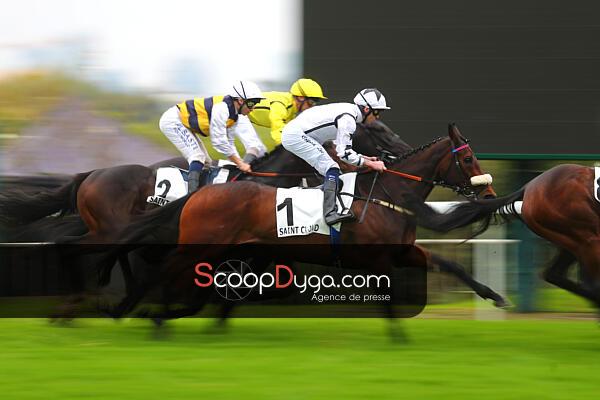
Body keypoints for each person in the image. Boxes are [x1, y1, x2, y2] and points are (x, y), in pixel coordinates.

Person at [281, 88, 389, 225]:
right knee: (332, 169)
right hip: (296, 136)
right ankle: (329, 214)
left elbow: (340, 148)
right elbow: (344, 154)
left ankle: (316, 202)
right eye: (377, 112)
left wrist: (365, 158)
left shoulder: (349, 113)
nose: (378, 117)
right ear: (367, 109)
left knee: (332, 173)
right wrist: (371, 164)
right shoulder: (348, 119)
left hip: (299, 134)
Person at [159, 80, 267, 193]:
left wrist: (240, 163)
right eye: (251, 103)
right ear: (240, 100)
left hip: (184, 123)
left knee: (207, 163)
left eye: (256, 103)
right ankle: (190, 196)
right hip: (173, 121)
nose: (253, 108)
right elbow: (219, 143)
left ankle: (199, 191)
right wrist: (240, 164)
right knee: (197, 157)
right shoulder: (222, 109)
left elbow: (229, 143)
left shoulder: (234, 115)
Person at [248, 78, 327, 145]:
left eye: (314, 103)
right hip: (241, 111)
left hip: (245, 114)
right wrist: (285, 148)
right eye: (310, 103)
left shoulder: (291, 108)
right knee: (257, 149)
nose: (311, 107)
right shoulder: (281, 105)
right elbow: (277, 128)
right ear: (300, 98)